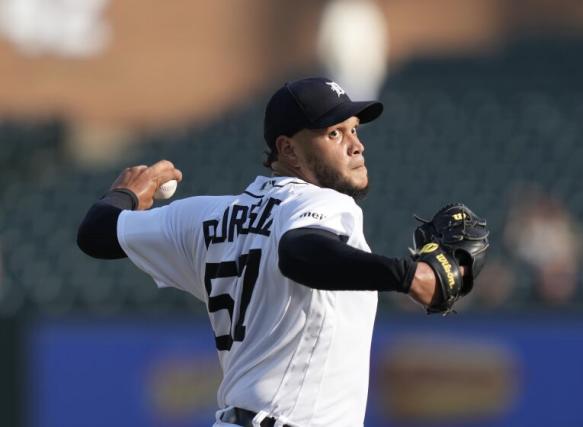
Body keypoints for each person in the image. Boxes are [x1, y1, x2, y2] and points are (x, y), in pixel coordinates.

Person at [77, 77, 476, 427]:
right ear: (288, 150)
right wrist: (409, 276)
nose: (356, 146)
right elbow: (299, 251)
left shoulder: (204, 216)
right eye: (334, 133)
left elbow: (96, 233)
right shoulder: (324, 205)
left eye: (354, 130)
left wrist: (127, 193)